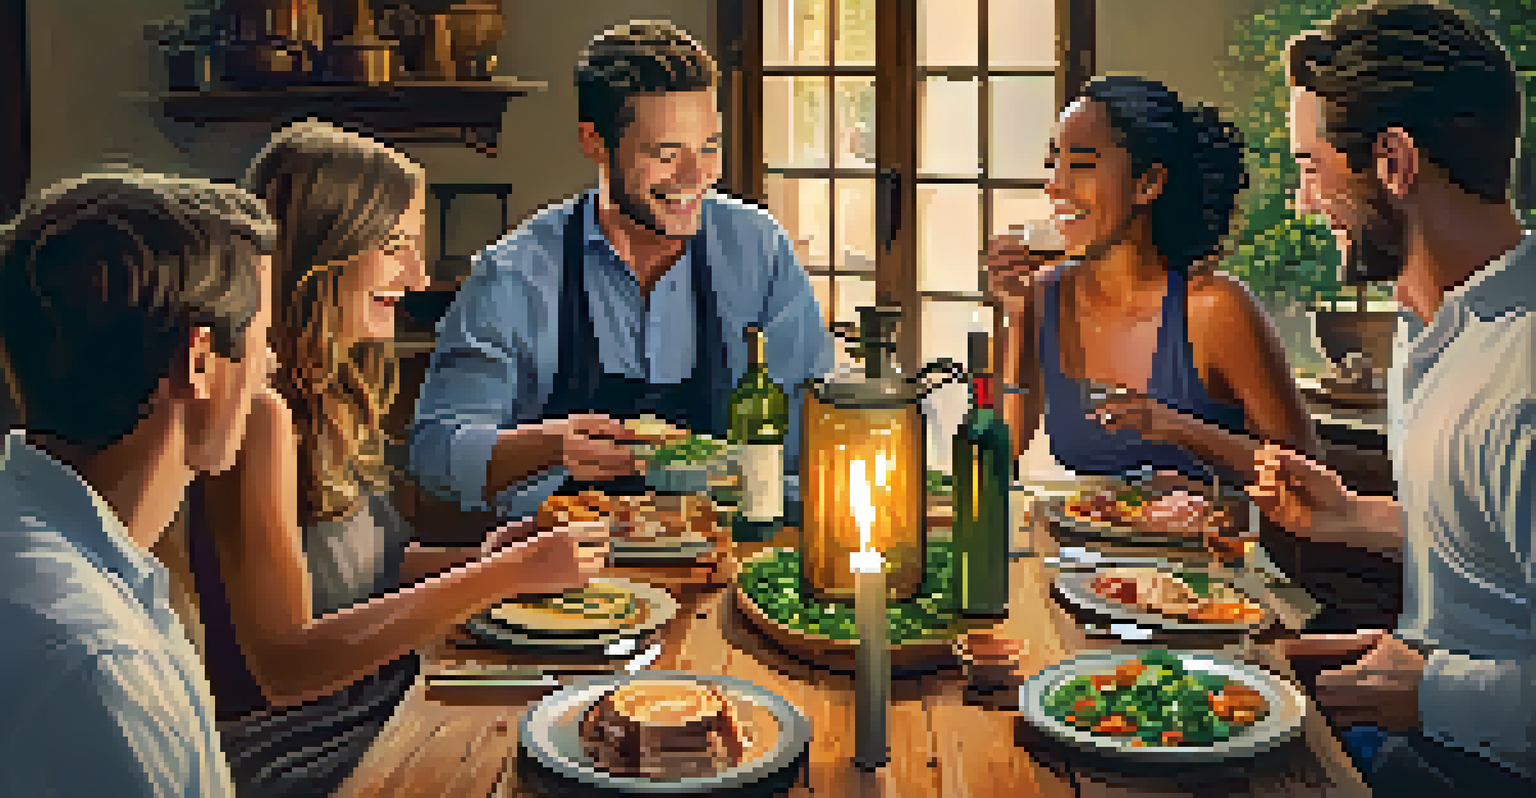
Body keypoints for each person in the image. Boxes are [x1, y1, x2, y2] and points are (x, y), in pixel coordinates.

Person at [1113, 1, 1533, 791]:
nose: (1305, 202)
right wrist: (1351, 517)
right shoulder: (1432, 324)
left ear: (1395, 162)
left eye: (1311, 167)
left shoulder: (1523, 378)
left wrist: (1434, 692)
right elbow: (1500, 551)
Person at [183, 121, 608, 798]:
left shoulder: (333, 394)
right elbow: (285, 666)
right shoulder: (259, 414)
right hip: (298, 749)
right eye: (396, 247)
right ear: (326, 253)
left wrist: (488, 560)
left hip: (377, 702)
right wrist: (503, 575)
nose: (418, 275)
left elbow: (364, 577)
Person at [411, 20, 835, 518]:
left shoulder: (758, 251)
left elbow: (814, 429)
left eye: (709, 147)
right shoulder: (514, 275)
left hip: (723, 555)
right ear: (594, 142)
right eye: (666, 153)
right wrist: (552, 445)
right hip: (563, 577)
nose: (695, 176)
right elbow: (435, 455)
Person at [0, 172, 278, 797]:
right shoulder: (100, 669)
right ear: (199, 362)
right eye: (261, 340)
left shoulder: (44, 540)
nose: (270, 365)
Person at [987, 75, 1320, 488]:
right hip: (1086, 551)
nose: (1054, 184)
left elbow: (1309, 478)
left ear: (1148, 184)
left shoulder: (1214, 309)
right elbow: (1000, 454)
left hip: (1212, 550)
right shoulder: (1045, 296)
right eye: (1052, 162)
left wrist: (1175, 427)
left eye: (1082, 164)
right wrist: (1017, 317)